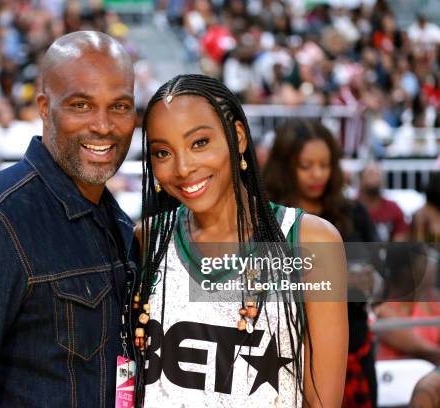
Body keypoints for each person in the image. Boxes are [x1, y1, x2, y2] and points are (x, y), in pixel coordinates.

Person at [0, 31, 137, 406]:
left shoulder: (118, 222)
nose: (103, 125)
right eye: (81, 105)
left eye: (120, 106)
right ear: (45, 108)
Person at [133, 74, 347, 407]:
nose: (184, 166)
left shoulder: (311, 242)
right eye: (162, 152)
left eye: (199, 142)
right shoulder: (149, 238)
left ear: (238, 137)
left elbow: (323, 402)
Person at [264, 118, 379, 407]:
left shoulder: (354, 214)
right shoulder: (266, 219)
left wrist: (371, 281)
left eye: (325, 165)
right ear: (286, 167)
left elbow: (383, 279)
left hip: (354, 353)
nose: (317, 175)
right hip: (281, 360)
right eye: (306, 166)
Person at [358, 161, 409, 242]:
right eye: (370, 173)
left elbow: (400, 242)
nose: (373, 177)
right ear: (361, 179)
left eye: (377, 174)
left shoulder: (394, 209)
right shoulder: (350, 208)